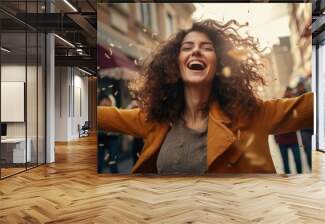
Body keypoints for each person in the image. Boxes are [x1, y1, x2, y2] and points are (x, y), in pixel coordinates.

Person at [97, 19, 313, 174]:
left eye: (206, 47)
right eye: (187, 47)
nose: (196, 51)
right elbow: (100, 116)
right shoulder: (155, 120)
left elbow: (313, 106)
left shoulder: (253, 114)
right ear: (175, 64)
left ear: (219, 64)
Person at [274, 88, 303, 174]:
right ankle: (288, 181)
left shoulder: (294, 106)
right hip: (282, 140)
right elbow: (275, 123)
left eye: (290, 94)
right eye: (288, 94)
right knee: (286, 163)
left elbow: (297, 120)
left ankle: (300, 177)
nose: (290, 95)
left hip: (293, 139)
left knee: (298, 161)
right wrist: (276, 138)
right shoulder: (280, 106)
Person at [97, 93, 120, 173]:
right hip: (100, 139)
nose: (105, 103)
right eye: (103, 101)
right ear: (99, 102)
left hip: (112, 138)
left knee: (113, 161)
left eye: (107, 101)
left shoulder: (114, 112)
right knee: (98, 163)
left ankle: (115, 176)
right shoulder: (97, 113)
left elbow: (119, 127)